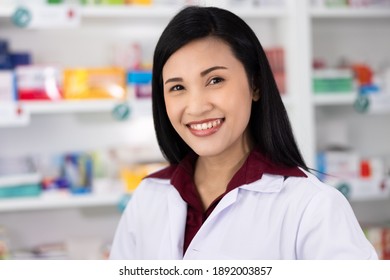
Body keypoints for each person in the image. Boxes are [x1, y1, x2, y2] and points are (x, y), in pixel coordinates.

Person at [109, 6, 377, 260]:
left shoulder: (313, 207)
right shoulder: (148, 197)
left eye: (215, 80)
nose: (197, 106)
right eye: (177, 88)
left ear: (255, 84)